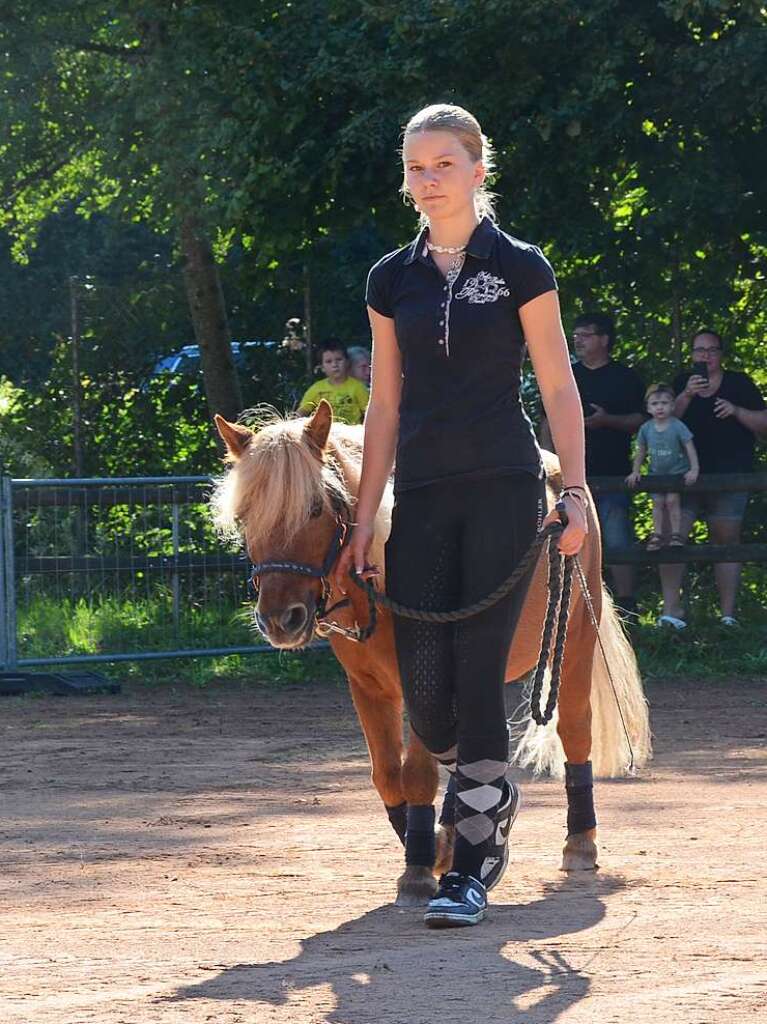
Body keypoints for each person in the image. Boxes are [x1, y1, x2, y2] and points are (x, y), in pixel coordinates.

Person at [335, 103, 588, 929]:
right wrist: (364, 524)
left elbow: (556, 384)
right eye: (414, 167)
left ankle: (470, 867)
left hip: (505, 489)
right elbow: (380, 407)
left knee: (480, 682)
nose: (426, 179)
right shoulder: (389, 278)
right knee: (429, 698)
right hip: (423, 497)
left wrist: (575, 491)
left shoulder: (519, 266)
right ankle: (487, 789)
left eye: (442, 164)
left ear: (479, 170)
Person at [658, 329, 767, 628]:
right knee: (672, 537)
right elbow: (661, 426)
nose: (705, 355)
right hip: (684, 477)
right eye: (699, 350)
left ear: (721, 353)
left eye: (711, 349)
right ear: (691, 354)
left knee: (726, 541)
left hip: (731, 476)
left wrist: (736, 410)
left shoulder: (739, 383)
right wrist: (686, 395)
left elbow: (764, 423)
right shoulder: (681, 383)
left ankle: (728, 617)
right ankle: (671, 612)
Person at [539, 314, 645, 613]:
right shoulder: (565, 377)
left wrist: (606, 421)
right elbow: (547, 421)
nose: (578, 339)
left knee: (617, 538)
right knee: (563, 541)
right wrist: (550, 465)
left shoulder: (626, 378)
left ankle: (626, 605)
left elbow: (641, 421)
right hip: (565, 480)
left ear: (605, 339)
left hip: (612, 475)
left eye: (586, 334)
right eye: (576, 334)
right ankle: (566, 606)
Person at [626, 384, 699, 550]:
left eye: (664, 403)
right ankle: (657, 535)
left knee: (672, 499)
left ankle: (676, 535)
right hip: (655, 473)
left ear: (672, 406)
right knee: (658, 501)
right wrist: (635, 471)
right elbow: (641, 451)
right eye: (655, 404)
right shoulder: (646, 428)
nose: (660, 407)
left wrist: (694, 469)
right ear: (648, 408)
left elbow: (689, 446)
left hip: (676, 472)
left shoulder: (677, 425)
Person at [298, 338, 369, 425]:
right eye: (329, 361)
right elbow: (300, 414)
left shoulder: (358, 388)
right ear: (322, 367)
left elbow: (369, 415)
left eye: (339, 359)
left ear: (347, 362)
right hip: (324, 436)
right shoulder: (316, 389)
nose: (334, 365)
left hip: (351, 435)